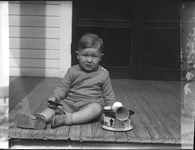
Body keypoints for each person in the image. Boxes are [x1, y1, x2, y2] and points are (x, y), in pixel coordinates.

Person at [14, 33, 116, 130]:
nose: (89, 60)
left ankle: (67, 119)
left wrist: (113, 110)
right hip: (69, 104)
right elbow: (63, 87)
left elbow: (108, 94)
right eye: (85, 55)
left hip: (88, 105)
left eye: (94, 56)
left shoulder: (103, 74)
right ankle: (40, 119)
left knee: (96, 109)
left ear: (100, 57)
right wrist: (55, 98)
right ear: (78, 55)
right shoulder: (72, 70)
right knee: (54, 108)